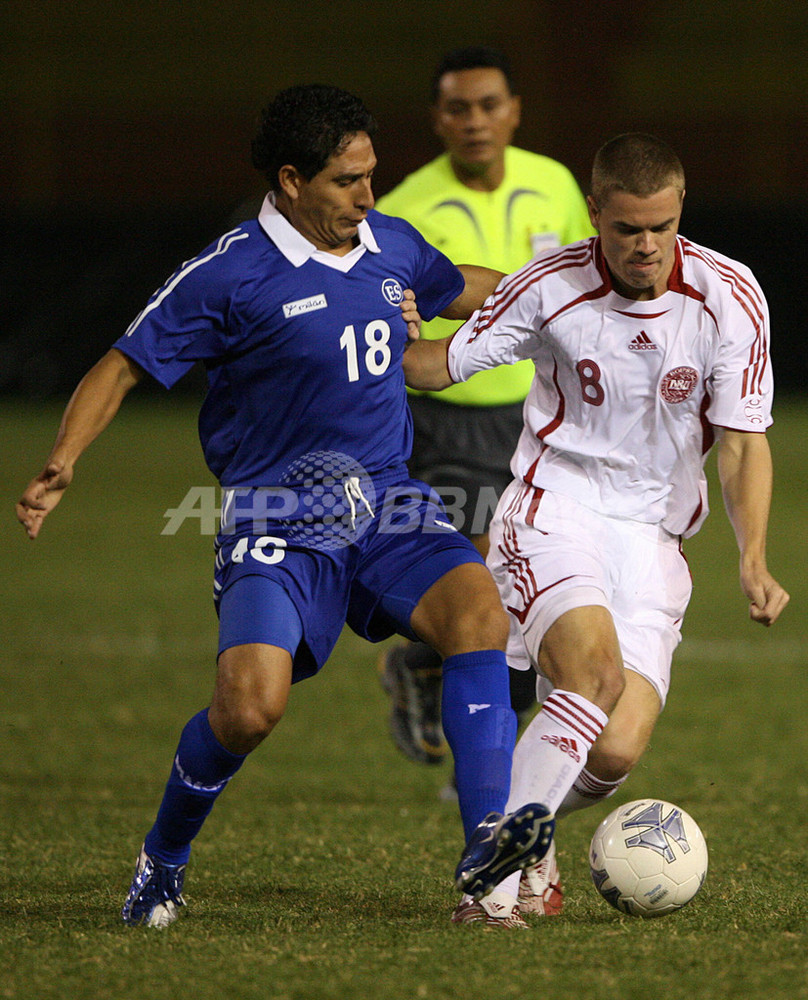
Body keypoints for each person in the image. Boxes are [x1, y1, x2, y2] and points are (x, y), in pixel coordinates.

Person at [16, 85, 555, 930]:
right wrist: (62, 460)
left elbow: (466, 288)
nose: (368, 197)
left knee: (480, 614)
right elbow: (121, 364)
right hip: (277, 519)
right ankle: (163, 857)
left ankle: (486, 872)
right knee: (248, 709)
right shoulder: (228, 274)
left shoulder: (389, 244)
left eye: (372, 176)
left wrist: (564, 290)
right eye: (349, 181)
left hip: (389, 503)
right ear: (293, 180)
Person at [402, 132, 790, 923]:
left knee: (613, 750)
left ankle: (528, 826)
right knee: (591, 680)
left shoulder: (730, 295)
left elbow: (746, 441)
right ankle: (492, 889)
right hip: (557, 509)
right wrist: (367, 333)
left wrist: (753, 556)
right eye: (625, 229)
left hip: (654, 540)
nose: (645, 246)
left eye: (660, 227)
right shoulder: (547, 286)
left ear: (681, 209)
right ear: (595, 215)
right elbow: (437, 366)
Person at [375, 47, 593, 779]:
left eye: (489, 105)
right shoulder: (404, 208)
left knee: (535, 603)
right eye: (459, 108)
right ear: (437, 119)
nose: (476, 122)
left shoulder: (553, 183)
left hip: (539, 426)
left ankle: (430, 676)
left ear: (515, 110)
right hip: (445, 424)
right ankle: (481, 750)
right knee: (488, 603)